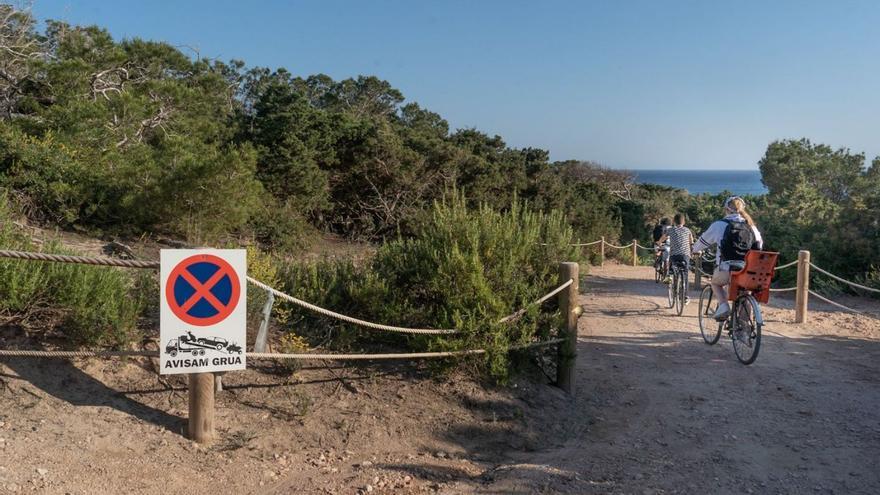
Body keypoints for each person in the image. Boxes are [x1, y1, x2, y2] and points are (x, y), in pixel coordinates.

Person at [692, 196, 763, 320]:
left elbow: (701, 244)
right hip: (747, 270)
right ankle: (744, 329)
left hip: (726, 268)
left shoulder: (718, 225)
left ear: (726, 209)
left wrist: (694, 250)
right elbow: (759, 246)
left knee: (715, 283)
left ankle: (724, 305)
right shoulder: (752, 227)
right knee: (745, 292)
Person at [658, 213, 695, 294]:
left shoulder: (670, 230)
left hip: (674, 255)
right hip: (685, 255)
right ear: (683, 222)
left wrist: (659, 243)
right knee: (685, 274)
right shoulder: (688, 230)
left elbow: (663, 238)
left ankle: (669, 276)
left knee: (671, 263)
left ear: (674, 221)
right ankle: (686, 296)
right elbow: (691, 242)